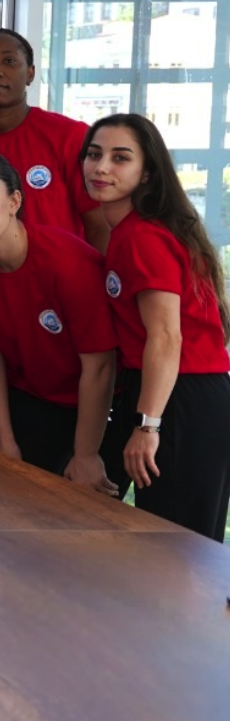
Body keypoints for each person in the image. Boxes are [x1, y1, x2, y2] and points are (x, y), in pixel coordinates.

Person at [84, 114, 230, 541]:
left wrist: (149, 426)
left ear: (147, 172)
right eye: (93, 154)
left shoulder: (142, 237)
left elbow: (166, 338)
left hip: (182, 397)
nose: (101, 167)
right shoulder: (132, 232)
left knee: (180, 546)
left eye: (120, 158)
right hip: (169, 392)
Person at [0, 153, 117, 485]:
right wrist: (5, 439)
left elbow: (100, 367)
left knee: (78, 506)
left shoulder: (67, 265)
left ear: (14, 202)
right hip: (35, 396)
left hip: (103, 402)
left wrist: (86, 455)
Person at [0, 29, 102, 244]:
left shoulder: (71, 137)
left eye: (9, 61)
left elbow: (100, 225)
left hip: (62, 266)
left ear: (31, 73)